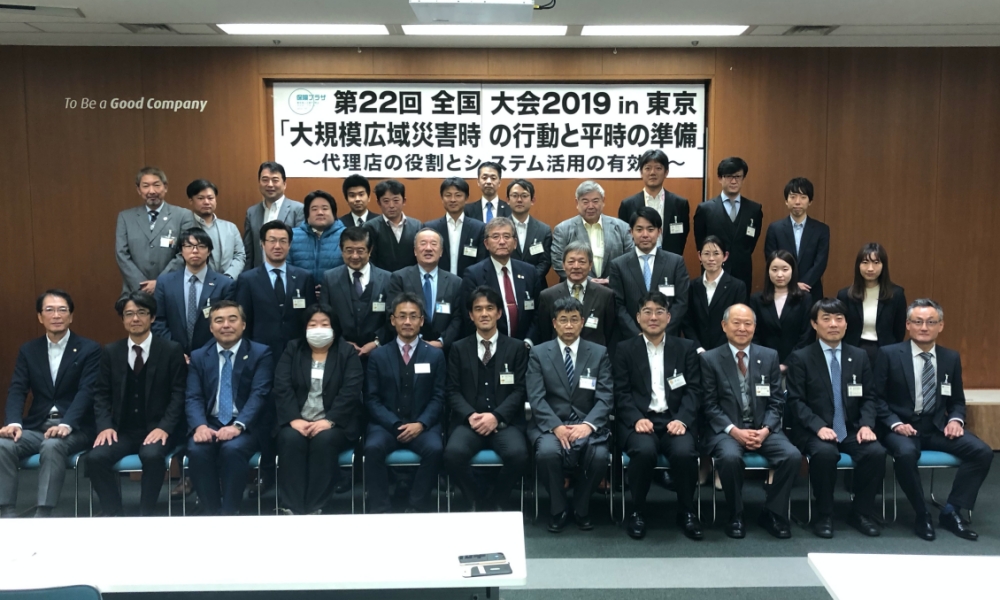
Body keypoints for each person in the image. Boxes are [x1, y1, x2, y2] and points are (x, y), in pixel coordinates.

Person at [875, 299, 993, 541]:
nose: (924, 327)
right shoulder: (889, 354)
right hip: (901, 428)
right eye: (918, 322)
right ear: (908, 325)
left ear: (941, 325)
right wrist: (895, 423)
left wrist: (956, 420)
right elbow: (876, 399)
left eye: (931, 322)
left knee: (982, 452)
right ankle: (922, 514)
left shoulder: (950, 357)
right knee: (905, 454)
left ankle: (952, 511)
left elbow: (957, 400)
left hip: (937, 427)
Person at [786, 298, 885, 539]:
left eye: (839, 319)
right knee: (825, 454)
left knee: (876, 452)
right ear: (814, 324)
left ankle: (860, 512)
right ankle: (824, 514)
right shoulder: (801, 358)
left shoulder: (859, 356)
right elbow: (795, 402)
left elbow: (869, 397)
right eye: (826, 319)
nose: (833, 324)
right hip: (813, 429)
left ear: (846, 324)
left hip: (850, 428)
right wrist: (818, 427)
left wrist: (866, 425)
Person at [700, 304, 802, 539]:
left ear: (755, 327)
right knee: (729, 458)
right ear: (724, 326)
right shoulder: (710, 359)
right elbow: (709, 404)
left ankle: (772, 512)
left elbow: (777, 400)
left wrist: (765, 430)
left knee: (792, 456)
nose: (742, 328)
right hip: (727, 430)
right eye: (736, 323)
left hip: (763, 428)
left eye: (748, 323)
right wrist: (734, 431)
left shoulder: (769, 356)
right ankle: (736, 514)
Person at [0, 291, 100, 518]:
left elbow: (87, 392)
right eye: (50, 310)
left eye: (62, 310)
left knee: (52, 445)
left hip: (75, 427)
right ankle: (6, 511)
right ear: (40, 317)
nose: (56, 315)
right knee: (4, 444)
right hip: (38, 426)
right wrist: (14, 422)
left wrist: (67, 424)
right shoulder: (29, 350)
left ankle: (44, 512)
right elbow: (17, 389)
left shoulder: (89, 349)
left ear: (71, 316)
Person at [85, 292, 187, 516]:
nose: (135, 319)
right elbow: (100, 394)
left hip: (158, 428)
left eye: (141, 313)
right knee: (95, 458)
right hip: (122, 429)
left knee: (152, 456)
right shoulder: (111, 351)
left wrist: (165, 427)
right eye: (129, 314)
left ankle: (145, 514)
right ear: (122, 319)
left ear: (152, 317)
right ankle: (114, 513)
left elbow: (179, 394)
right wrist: (105, 426)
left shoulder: (171, 350)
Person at [613, 291, 702, 540]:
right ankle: (637, 511)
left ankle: (686, 511)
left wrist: (682, 419)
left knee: (684, 453)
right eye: (648, 312)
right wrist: (635, 418)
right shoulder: (624, 349)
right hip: (640, 420)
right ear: (638, 317)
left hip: (675, 419)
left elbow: (695, 390)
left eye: (659, 312)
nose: (653, 317)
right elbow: (620, 391)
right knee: (644, 451)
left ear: (669, 317)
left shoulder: (685, 348)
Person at [527, 296, 613, 533]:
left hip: (587, 424)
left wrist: (588, 425)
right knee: (547, 453)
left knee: (599, 456)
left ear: (582, 322)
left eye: (574, 319)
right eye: (563, 320)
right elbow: (536, 397)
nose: (568, 325)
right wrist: (556, 426)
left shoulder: (599, 353)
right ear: (554, 323)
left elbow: (605, 397)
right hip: (550, 424)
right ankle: (558, 508)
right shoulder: (538, 353)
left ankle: (581, 507)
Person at [443, 287, 529, 511]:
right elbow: (452, 390)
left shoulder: (517, 348)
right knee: (452, 455)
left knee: (519, 455)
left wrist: (496, 416)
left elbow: (520, 390)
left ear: (499, 313)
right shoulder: (458, 348)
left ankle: (496, 500)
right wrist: (470, 415)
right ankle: (476, 498)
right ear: (470, 315)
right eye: (478, 309)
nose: (484, 314)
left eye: (490, 308)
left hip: (504, 423)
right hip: (469, 422)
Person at [185, 301, 274, 516]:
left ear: (243, 324)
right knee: (197, 450)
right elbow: (193, 396)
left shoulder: (260, 353)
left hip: (246, 424)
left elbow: (259, 394)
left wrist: (238, 426)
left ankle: (230, 511)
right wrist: (200, 426)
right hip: (210, 422)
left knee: (232, 450)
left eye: (232, 319)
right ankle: (212, 511)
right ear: (211, 328)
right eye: (219, 320)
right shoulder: (199, 356)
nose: (226, 325)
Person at [274, 304, 363, 515]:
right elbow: (282, 385)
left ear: (334, 328)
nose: (318, 329)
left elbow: (351, 391)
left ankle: (317, 507)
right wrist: (294, 419)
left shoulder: (346, 352)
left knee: (324, 441)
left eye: (324, 324)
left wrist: (329, 420)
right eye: (312, 324)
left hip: (335, 423)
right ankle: (292, 507)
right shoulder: (293, 349)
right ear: (305, 328)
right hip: (297, 421)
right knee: (290, 439)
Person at [363, 293, 446, 513]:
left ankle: (417, 506)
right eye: (402, 316)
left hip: (422, 425)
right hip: (387, 426)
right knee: (372, 448)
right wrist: (394, 424)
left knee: (435, 449)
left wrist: (421, 424)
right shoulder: (378, 356)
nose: (407, 321)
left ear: (421, 321)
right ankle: (380, 509)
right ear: (393, 320)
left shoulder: (435, 356)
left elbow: (439, 396)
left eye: (413, 316)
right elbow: (371, 398)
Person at [236, 221, 316, 361]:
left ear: (290, 245)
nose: (277, 246)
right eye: (272, 241)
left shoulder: (304, 277)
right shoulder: (247, 280)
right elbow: (244, 320)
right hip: (260, 352)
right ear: (262, 243)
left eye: (283, 241)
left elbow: (311, 316)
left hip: (298, 351)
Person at [152, 228, 236, 356]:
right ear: (181, 251)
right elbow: (158, 321)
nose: (195, 251)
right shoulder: (165, 282)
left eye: (201, 246)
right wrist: (175, 351)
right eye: (189, 246)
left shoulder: (225, 284)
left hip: (212, 355)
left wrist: (203, 354)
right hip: (173, 355)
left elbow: (227, 324)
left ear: (209, 251)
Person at [609, 207, 690, 338]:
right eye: (639, 229)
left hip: (667, 337)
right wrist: (637, 334)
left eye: (650, 229)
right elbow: (618, 306)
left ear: (659, 232)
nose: (645, 234)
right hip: (632, 339)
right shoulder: (618, 265)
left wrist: (661, 331)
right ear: (631, 232)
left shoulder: (675, 262)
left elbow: (681, 302)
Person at [459, 217, 542, 343]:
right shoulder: (473, 274)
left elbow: (537, 313)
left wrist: (528, 341)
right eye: (495, 237)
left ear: (515, 243)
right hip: (490, 346)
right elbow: (469, 316)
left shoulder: (529, 272)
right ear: (486, 243)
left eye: (507, 236)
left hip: (525, 346)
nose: (502, 241)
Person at [115, 166, 195, 296]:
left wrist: (160, 282)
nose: (151, 191)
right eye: (145, 186)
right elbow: (122, 254)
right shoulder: (126, 217)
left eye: (156, 185)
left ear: (165, 187)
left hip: (171, 290)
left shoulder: (183, 216)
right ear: (138, 190)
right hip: (135, 292)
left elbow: (185, 252)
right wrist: (141, 285)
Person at [320, 227, 392, 361]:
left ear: (370, 250)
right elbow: (324, 317)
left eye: (360, 251)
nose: (354, 256)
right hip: (339, 353)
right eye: (349, 250)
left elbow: (392, 318)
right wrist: (341, 342)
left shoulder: (387, 279)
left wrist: (376, 343)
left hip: (379, 354)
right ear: (341, 250)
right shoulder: (329, 278)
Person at [387, 229, 464, 352]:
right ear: (415, 251)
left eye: (433, 244)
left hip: (445, 351)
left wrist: (442, 341)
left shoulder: (455, 282)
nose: (428, 248)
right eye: (423, 243)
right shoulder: (399, 278)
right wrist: (417, 341)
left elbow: (458, 318)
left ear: (441, 251)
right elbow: (392, 313)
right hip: (409, 349)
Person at [693, 157, 763, 292]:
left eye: (738, 177)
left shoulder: (754, 209)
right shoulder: (705, 209)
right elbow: (701, 243)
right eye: (729, 176)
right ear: (720, 178)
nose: (734, 181)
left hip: (742, 273)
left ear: (743, 178)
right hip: (713, 271)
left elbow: (751, 243)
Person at [836, 243, 907, 363]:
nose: (870, 268)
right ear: (858, 265)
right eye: (865, 262)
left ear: (883, 265)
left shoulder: (896, 294)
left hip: (885, 350)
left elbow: (899, 330)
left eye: (876, 262)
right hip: (853, 350)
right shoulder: (845, 295)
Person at [551, 181, 634, 283]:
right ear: (577, 203)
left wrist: (610, 280)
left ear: (603, 201)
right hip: (577, 287)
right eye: (585, 202)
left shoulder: (622, 227)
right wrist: (587, 281)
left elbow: (631, 258)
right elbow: (558, 262)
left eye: (595, 201)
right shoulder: (563, 229)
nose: (590, 206)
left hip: (614, 287)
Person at [536, 242, 615, 348]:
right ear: (563, 265)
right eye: (571, 262)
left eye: (582, 262)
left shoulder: (605, 295)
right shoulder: (548, 296)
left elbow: (610, 332)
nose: (576, 266)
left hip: (595, 355)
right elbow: (545, 333)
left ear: (590, 265)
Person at [763, 177, 829, 300]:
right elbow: (771, 260)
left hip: (811, 290)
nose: (797, 202)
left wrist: (803, 284)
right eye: (793, 197)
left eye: (803, 197)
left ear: (810, 201)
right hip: (781, 289)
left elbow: (820, 262)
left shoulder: (821, 229)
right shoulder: (775, 228)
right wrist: (791, 285)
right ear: (786, 201)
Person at [618, 149, 690, 256]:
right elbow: (625, 238)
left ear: (666, 172)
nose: (652, 172)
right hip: (637, 260)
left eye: (658, 168)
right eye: (648, 168)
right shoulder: (628, 205)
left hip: (670, 260)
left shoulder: (680, 204)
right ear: (641, 172)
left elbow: (681, 237)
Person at [682, 235, 747, 353]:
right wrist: (698, 348)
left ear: (725, 256)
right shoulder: (692, 286)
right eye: (706, 253)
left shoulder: (737, 287)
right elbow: (687, 321)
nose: (711, 258)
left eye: (716, 253)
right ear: (699, 256)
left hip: (726, 351)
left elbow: (737, 321)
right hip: (697, 352)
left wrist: (719, 351)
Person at [748, 250, 813, 368]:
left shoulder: (804, 299)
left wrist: (787, 364)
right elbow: (753, 335)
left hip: (796, 365)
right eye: (774, 269)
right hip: (763, 365)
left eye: (785, 269)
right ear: (768, 272)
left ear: (793, 271)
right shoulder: (756, 300)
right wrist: (767, 362)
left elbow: (806, 336)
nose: (779, 274)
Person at [244, 162, 304, 271]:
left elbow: (301, 249)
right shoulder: (252, 212)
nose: (270, 184)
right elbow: (249, 252)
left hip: (289, 274)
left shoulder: (298, 210)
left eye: (275, 180)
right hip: (260, 275)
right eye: (265, 180)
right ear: (259, 183)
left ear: (284, 184)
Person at [424, 177, 486, 277]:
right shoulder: (430, 228)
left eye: (458, 195)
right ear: (442, 198)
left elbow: (481, 261)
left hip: (469, 282)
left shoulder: (479, 228)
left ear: (466, 198)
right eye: (448, 195)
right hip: (439, 282)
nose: (453, 200)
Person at [288, 190, 346, 294]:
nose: (320, 212)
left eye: (325, 208)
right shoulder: (292, 236)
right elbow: (286, 268)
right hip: (300, 295)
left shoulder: (346, 236)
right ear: (307, 214)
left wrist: (328, 290)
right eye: (314, 209)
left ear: (333, 212)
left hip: (337, 296)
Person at [186, 179, 246, 279]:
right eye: (200, 198)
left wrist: (229, 277)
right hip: (197, 282)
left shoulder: (230, 227)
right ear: (191, 201)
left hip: (228, 282)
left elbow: (240, 255)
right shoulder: (185, 227)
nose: (206, 202)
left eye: (210, 198)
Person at [364, 179, 422, 273]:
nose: (391, 205)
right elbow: (369, 260)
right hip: (382, 279)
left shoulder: (417, 226)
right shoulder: (370, 227)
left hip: (410, 279)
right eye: (386, 201)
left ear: (404, 201)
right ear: (379, 203)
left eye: (396, 200)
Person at [506, 179, 552, 282]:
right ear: (508, 200)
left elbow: (545, 262)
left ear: (532, 200)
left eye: (524, 196)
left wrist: (529, 279)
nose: (519, 200)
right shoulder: (499, 229)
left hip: (535, 284)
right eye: (515, 195)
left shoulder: (544, 230)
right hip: (506, 283)